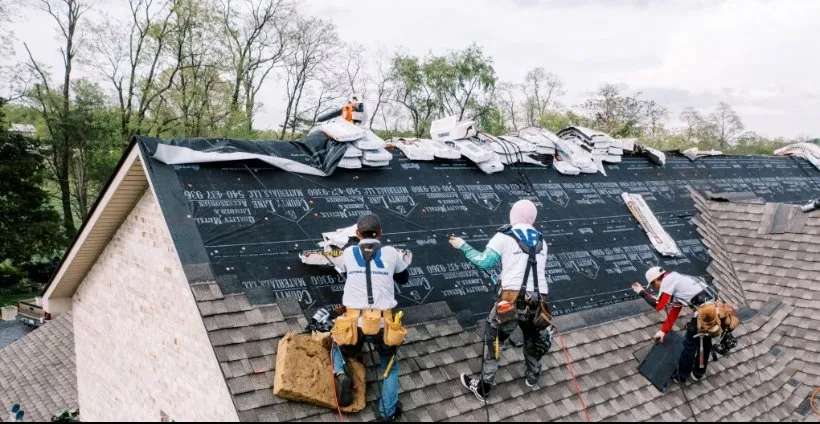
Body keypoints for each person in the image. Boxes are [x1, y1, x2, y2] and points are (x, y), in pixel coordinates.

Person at [449, 200, 554, 401]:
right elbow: (528, 268)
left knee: (495, 339)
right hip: (539, 301)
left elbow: (484, 261)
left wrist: (462, 245)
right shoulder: (542, 241)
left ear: (513, 215)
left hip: (510, 300)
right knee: (533, 339)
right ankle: (533, 376)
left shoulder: (504, 235)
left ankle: (484, 386)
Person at [330, 214, 411, 422]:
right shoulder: (391, 253)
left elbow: (346, 274)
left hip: (353, 324)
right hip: (383, 324)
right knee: (389, 365)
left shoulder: (348, 253)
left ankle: (341, 373)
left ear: (357, 234)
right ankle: (387, 412)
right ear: (380, 234)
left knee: (336, 345)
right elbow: (403, 278)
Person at [632, 267, 719, 383]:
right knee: (704, 342)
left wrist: (642, 292)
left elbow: (659, 305)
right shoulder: (677, 278)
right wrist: (664, 330)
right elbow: (674, 310)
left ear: (656, 280)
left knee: (689, 344)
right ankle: (699, 373)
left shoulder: (668, 281)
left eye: (653, 285)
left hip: (704, 312)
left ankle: (681, 376)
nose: (656, 288)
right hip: (714, 310)